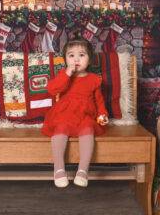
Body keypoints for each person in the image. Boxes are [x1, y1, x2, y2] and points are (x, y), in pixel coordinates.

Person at [41, 38, 109, 188]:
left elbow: (99, 101)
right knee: (61, 127)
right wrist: (67, 74)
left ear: (89, 59)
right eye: (71, 55)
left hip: (85, 116)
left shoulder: (93, 79)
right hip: (65, 114)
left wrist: (102, 115)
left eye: (82, 55)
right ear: (65, 59)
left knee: (88, 129)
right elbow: (52, 89)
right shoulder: (64, 75)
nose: (76, 59)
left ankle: (83, 170)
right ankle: (58, 168)